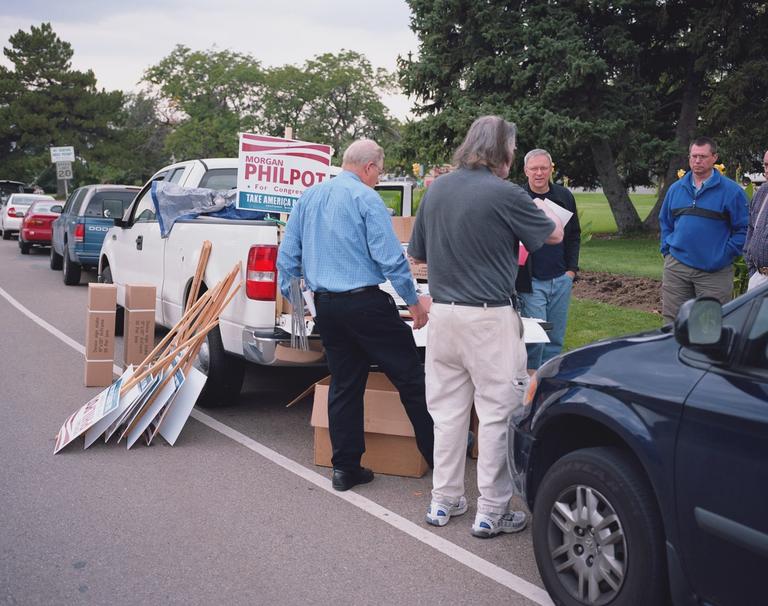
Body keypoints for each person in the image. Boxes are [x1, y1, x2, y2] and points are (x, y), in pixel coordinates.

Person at [409, 116, 563, 538]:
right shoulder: (506, 192)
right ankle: (491, 510)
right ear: (504, 151)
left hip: (443, 314)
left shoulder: (437, 188)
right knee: (497, 412)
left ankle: (444, 499)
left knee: (447, 412)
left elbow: (418, 253)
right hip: (488, 315)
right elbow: (553, 236)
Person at [276, 139, 434, 492]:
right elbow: (390, 257)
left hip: (327, 306)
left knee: (345, 384)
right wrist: (414, 301)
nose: (379, 176)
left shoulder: (309, 197)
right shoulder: (367, 199)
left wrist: (301, 305)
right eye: (379, 170)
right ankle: (439, 455)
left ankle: (345, 468)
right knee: (410, 377)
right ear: (368, 167)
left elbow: (287, 258)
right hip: (364, 302)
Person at [659, 137, 749, 322]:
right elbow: (666, 223)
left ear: (714, 158)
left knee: (710, 325)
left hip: (714, 271)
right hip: (677, 267)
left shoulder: (731, 191)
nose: (697, 161)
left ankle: (706, 353)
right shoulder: (676, 189)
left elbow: (744, 229)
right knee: (672, 322)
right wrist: (667, 250)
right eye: (694, 156)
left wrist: (724, 255)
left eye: (703, 156)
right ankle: (673, 352)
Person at [516, 149, 580, 369]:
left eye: (544, 168)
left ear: (551, 169)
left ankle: (549, 383)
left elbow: (574, 235)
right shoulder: (519, 198)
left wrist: (571, 270)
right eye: (534, 169)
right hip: (532, 281)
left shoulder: (564, 196)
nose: (539, 173)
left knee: (555, 340)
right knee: (536, 339)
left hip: (561, 278)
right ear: (526, 171)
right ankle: (530, 385)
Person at [744, 150, 768, 291]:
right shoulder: (762, 192)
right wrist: (753, 272)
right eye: (766, 165)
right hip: (758, 278)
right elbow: (751, 231)